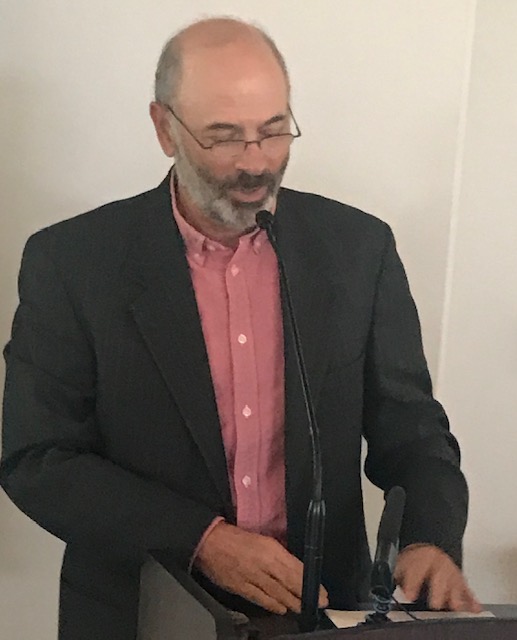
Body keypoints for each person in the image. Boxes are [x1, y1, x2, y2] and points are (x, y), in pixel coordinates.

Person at [1, 16, 480, 640]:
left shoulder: (359, 249)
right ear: (164, 128)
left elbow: (411, 429)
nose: (256, 163)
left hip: (320, 611)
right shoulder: (73, 262)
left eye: (274, 131)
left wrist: (429, 538)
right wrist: (200, 540)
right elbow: (37, 458)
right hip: (140, 611)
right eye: (224, 137)